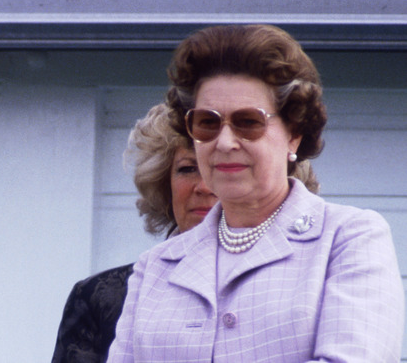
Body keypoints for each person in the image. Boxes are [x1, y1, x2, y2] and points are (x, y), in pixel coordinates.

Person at [108, 24, 404, 362]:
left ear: (293, 133)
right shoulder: (157, 267)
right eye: (207, 122)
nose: (224, 142)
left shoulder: (347, 238)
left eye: (248, 121)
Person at [52, 103, 319, 363]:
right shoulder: (101, 297)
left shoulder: (313, 283)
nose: (205, 186)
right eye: (188, 169)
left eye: (231, 168)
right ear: (163, 185)